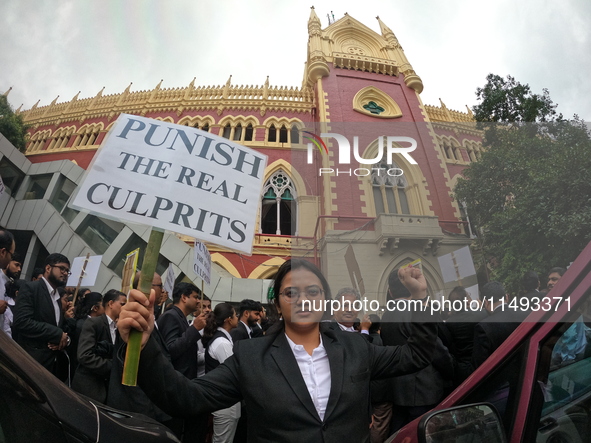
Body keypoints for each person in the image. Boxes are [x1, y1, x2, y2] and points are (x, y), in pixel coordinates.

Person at [118, 258, 436, 443]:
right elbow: (184, 397)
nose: (303, 299)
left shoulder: (355, 347)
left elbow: (416, 355)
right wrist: (144, 347)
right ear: (278, 305)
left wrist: (420, 298)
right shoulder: (251, 357)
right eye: (291, 292)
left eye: (312, 291)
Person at [13, 253, 73, 381]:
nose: (65, 273)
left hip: (51, 366)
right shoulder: (31, 288)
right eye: (62, 268)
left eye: (67, 270)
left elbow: (61, 328)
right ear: (48, 268)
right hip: (30, 363)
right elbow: (22, 322)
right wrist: (55, 333)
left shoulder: (57, 297)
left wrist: (64, 340)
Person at [72, 290, 126, 403]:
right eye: (122, 304)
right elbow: (84, 355)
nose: (125, 308)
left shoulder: (120, 328)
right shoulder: (94, 323)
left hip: (108, 390)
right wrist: (113, 367)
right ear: (111, 304)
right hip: (89, 389)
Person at [202, 303, 241, 443]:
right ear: (228, 319)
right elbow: (234, 371)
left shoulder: (221, 339)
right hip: (224, 404)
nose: (238, 318)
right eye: (235, 315)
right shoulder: (221, 343)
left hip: (223, 403)